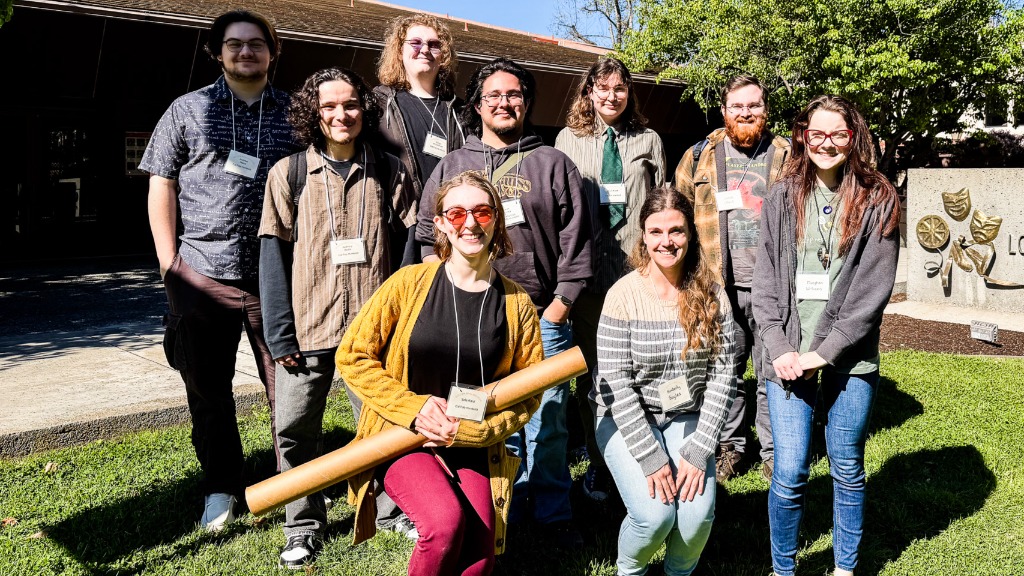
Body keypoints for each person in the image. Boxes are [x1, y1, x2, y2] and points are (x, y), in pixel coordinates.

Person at [414, 57, 592, 546]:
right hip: (474, 316)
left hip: (539, 315)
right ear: (477, 103)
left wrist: (560, 306)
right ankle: (497, 514)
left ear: (527, 102)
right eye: (492, 95)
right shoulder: (453, 163)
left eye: (513, 94)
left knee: (549, 420)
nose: (504, 103)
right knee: (487, 418)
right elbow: (428, 234)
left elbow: (578, 241)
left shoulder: (553, 162)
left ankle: (552, 514)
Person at [337, 171, 545, 576]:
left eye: (482, 212)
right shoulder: (409, 283)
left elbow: (528, 392)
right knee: (444, 525)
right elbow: (353, 355)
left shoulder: (517, 303)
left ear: (497, 222)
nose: (470, 223)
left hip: (471, 440)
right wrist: (414, 409)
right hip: (402, 436)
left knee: (481, 556)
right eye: (457, 213)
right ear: (442, 225)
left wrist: (469, 433)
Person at [140, 9, 299, 531]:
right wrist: (169, 264)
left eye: (257, 44)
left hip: (278, 277)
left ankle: (289, 482)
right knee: (207, 389)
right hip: (201, 274)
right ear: (218, 52)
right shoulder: (187, 110)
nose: (246, 52)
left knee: (289, 385)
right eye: (235, 44)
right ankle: (221, 487)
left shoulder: (297, 113)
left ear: (272, 52)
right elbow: (160, 182)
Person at [258, 67, 413, 569]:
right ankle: (302, 525)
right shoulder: (289, 173)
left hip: (373, 333)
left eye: (349, 105)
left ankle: (390, 511)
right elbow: (272, 256)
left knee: (382, 427)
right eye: (329, 107)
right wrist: (280, 333)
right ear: (314, 113)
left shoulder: (390, 170)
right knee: (296, 431)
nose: (341, 115)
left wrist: (403, 319)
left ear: (363, 109)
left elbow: (411, 246)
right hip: (308, 329)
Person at [752, 95, 900, 576]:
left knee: (847, 469)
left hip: (850, 359)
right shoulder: (781, 195)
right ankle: (782, 568)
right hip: (788, 356)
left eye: (838, 134)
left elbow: (870, 295)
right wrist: (778, 348)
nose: (826, 144)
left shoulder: (879, 198)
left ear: (853, 137)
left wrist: (824, 353)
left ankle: (844, 568)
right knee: (790, 471)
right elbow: (766, 282)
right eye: (816, 134)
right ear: (802, 135)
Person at [593, 185, 736, 576]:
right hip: (625, 417)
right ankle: (630, 571)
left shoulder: (712, 294)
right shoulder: (622, 296)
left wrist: (700, 448)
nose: (666, 241)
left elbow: (724, 375)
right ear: (643, 235)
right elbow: (616, 384)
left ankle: (679, 572)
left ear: (690, 234)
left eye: (676, 231)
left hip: (686, 414)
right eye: (656, 232)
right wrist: (652, 457)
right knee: (655, 517)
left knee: (695, 517)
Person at [555, 56, 666, 502]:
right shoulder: (568, 139)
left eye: (619, 88)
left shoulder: (649, 138)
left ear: (628, 92)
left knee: (642, 366)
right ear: (588, 92)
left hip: (638, 270)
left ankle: (649, 455)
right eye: (602, 88)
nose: (611, 96)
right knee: (593, 371)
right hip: (588, 273)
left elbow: (661, 203)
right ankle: (601, 462)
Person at [674, 74, 791, 482]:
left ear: (765, 110)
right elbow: (680, 219)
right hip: (717, 285)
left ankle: (775, 450)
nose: (746, 113)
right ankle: (730, 447)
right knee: (725, 371)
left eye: (754, 105)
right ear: (724, 111)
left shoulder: (789, 156)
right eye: (737, 106)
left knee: (773, 369)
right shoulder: (697, 157)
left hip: (774, 288)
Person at [374, 13, 466, 267]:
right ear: (399, 51)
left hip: (452, 227)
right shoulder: (379, 105)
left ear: (443, 55)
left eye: (434, 45)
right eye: (415, 43)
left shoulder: (459, 111)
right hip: (401, 228)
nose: (424, 49)